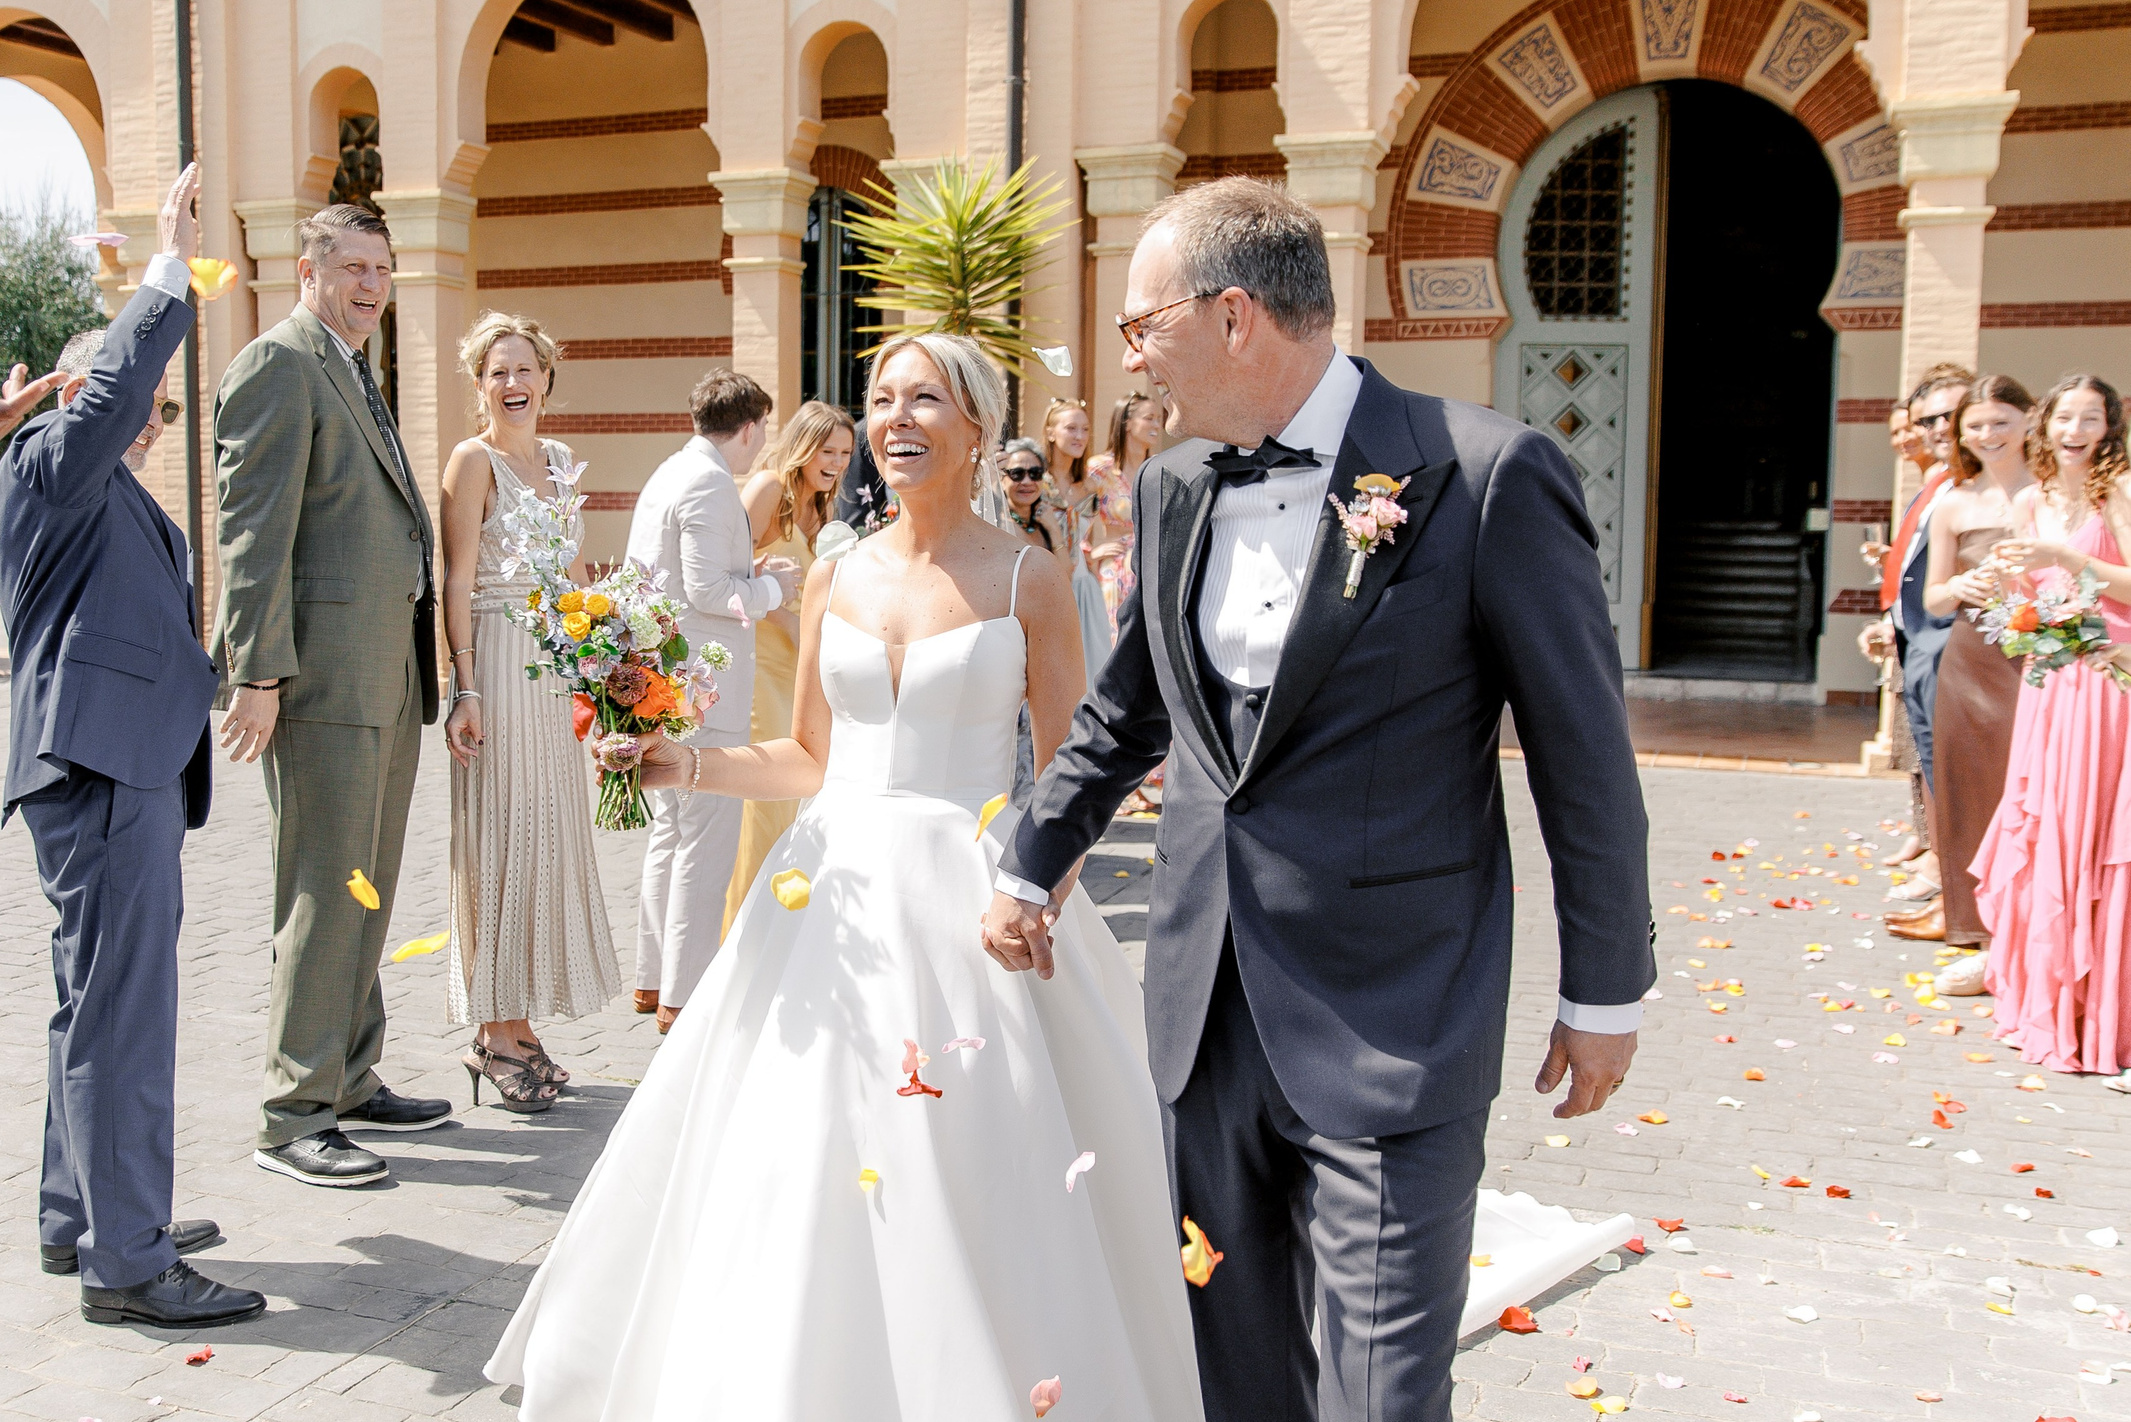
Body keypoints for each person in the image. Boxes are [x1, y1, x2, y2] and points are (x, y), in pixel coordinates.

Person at [982, 177, 1653, 1422]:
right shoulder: (1178, 486)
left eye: (1142, 326)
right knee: (1238, 1377)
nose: (1134, 358)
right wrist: (1032, 860)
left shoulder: (1487, 475)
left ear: (1233, 316)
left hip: (1396, 1017)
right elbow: (1133, 708)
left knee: (1380, 1397)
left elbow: (1583, 759)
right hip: (1205, 1012)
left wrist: (1603, 987)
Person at [486, 333, 1204, 1420]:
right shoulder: (833, 572)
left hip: (975, 900)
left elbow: (1071, 780)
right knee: (801, 1159)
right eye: (882, 400)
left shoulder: (1031, 578)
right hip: (828, 898)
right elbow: (810, 758)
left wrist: (1038, 897)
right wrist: (682, 759)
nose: (897, 419)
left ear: (976, 427)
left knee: (967, 1159)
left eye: (924, 399)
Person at [0, 164, 264, 1329]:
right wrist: (165, 272)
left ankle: (85, 1218)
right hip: (104, 767)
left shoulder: (88, 480)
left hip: (112, 764)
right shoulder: (49, 461)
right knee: (122, 1013)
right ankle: (131, 1260)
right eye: (141, 401)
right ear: (77, 390)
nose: (152, 420)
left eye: (160, 410)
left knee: (87, 1005)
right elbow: (105, 393)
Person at [211, 202, 450, 1188]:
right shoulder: (278, 364)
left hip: (382, 675)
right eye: (351, 266)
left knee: (366, 884)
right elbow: (251, 538)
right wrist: (256, 675)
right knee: (322, 888)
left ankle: (349, 1074)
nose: (369, 285)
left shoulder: (350, 366)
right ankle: (294, 1108)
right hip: (316, 682)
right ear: (308, 271)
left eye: (382, 269)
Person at [437, 312, 620, 1111]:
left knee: (544, 839)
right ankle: (493, 1031)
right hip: (498, 662)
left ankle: (517, 1022)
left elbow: (572, 569)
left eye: (524, 370)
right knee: (502, 840)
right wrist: (464, 687)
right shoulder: (470, 461)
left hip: (549, 668)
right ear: (479, 385)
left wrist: (609, 656)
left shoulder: (557, 461)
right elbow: (454, 579)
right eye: (496, 372)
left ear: (547, 377)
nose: (512, 384)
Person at [625, 369, 798, 1032]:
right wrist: (773, 587)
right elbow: (707, 591)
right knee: (704, 837)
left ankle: (652, 980)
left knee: (671, 832)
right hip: (700, 688)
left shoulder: (669, 470)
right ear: (750, 426)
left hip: (667, 679)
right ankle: (684, 996)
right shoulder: (707, 481)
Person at [1974, 374, 2131, 1076]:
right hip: (2049, 681)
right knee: (2044, 831)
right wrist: (2001, 591)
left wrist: (2065, 558)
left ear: (2107, 427)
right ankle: (2046, 999)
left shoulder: (2114, 492)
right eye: (2064, 416)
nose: (2075, 429)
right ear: (2046, 425)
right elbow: (2018, 595)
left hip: (2105, 675)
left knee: (2091, 833)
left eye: (2089, 417)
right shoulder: (2029, 500)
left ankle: (2099, 1008)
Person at [720, 400, 855, 938]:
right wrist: (781, 610)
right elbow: (723, 574)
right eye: (828, 450)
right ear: (803, 445)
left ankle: (778, 933)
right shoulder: (769, 488)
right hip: (762, 664)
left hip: (804, 668)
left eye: (845, 453)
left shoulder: (821, 510)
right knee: (763, 804)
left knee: (798, 799)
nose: (837, 462)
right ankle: (737, 936)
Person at [1919, 376, 2034, 975]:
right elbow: (1934, 598)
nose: (1987, 436)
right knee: (1970, 793)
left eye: (2000, 422)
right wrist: (1958, 586)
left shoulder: (2053, 494)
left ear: (2028, 421)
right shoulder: (1954, 501)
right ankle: (1978, 931)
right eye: (1975, 426)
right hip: (1970, 660)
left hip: (2040, 657)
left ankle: (2033, 931)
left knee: (2031, 793)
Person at [1878, 365, 1975, 938]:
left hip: (1961, 658)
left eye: (1949, 415)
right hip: (1922, 649)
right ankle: (1952, 902)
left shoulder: (1973, 488)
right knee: (1936, 780)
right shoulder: (1941, 482)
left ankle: (1962, 909)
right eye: (1926, 419)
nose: (1937, 427)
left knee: (1956, 785)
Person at [1039, 396, 1115, 682]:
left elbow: (1090, 537)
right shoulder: (1034, 483)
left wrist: (1095, 554)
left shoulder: (1091, 485)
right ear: (1050, 432)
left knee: (1090, 670)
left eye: (1085, 430)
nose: (1080, 436)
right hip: (1046, 583)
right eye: (1071, 428)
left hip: (1083, 587)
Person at [1084, 391, 1157, 635]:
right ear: (1127, 422)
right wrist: (1091, 552)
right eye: (1149, 418)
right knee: (1114, 639)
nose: (1157, 425)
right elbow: (1073, 513)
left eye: (1159, 418)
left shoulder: (1159, 468)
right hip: (1116, 570)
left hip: (1152, 565)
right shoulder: (1100, 469)